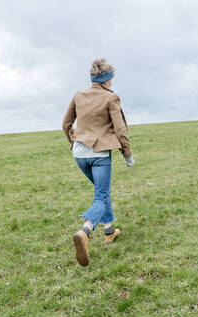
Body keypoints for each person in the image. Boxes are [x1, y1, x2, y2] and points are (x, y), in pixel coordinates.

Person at [62, 58, 134, 266]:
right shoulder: (112, 98)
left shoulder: (78, 95)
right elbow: (120, 129)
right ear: (106, 80)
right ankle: (85, 231)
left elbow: (66, 124)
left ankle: (109, 231)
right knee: (101, 196)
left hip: (79, 153)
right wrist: (127, 153)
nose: (112, 83)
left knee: (102, 193)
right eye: (111, 79)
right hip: (100, 154)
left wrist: (75, 142)